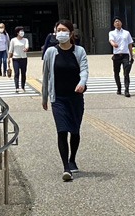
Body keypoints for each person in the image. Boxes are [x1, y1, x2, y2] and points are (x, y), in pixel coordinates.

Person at [41, 19, 88, 182]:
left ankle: (72, 159)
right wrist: (44, 97)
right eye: (58, 30)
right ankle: (66, 168)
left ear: (71, 33)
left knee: (74, 130)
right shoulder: (50, 52)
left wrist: (82, 83)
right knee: (62, 130)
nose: (61, 33)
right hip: (58, 98)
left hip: (75, 98)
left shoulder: (79, 51)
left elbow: (84, 70)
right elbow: (46, 75)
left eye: (64, 30)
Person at [108, 17, 134, 97]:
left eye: (118, 21)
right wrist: (113, 44)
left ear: (121, 23)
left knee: (126, 73)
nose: (117, 23)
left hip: (125, 55)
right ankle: (119, 87)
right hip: (116, 55)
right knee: (116, 72)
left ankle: (127, 90)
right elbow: (111, 40)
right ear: (114, 24)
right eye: (115, 22)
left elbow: (130, 44)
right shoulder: (112, 33)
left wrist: (131, 56)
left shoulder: (126, 33)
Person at [9, 27, 29, 93]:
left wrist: (26, 49)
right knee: (16, 73)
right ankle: (17, 87)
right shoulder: (13, 40)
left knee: (23, 73)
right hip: (15, 58)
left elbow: (27, 46)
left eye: (23, 31)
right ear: (17, 32)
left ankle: (23, 86)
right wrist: (8, 58)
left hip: (23, 58)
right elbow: (10, 50)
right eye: (21, 31)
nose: (22, 33)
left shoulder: (25, 40)